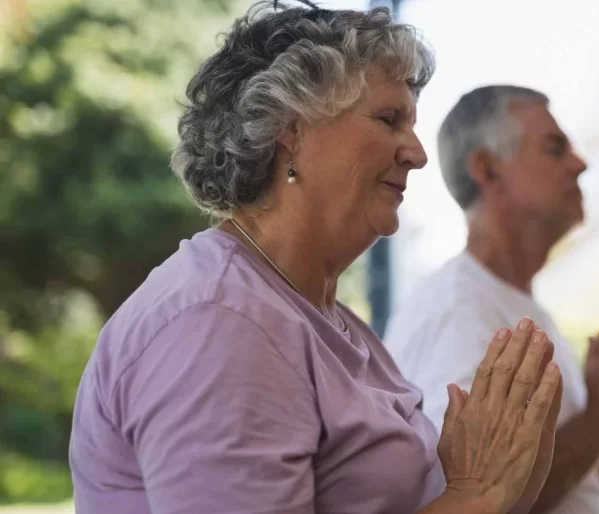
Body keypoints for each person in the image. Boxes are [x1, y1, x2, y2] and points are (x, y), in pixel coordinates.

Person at [68, 6, 565, 514]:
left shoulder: (320, 315)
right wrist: (475, 495)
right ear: (292, 130)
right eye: (389, 119)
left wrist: (510, 470)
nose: (417, 154)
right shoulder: (221, 321)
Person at [384, 85, 599, 513]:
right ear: (488, 169)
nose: (580, 164)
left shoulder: (513, 304)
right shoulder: (459, 309)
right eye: (555, 148)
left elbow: (592, 483)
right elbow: (471, 496)